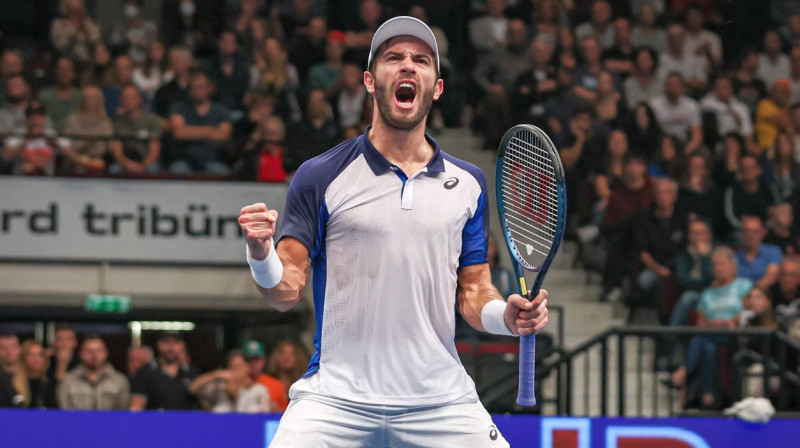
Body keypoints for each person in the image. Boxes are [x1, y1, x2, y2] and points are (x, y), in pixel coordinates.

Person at [238, 17, 549, 446]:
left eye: (421, 60)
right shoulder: (320, 175)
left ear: (436, 88)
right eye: (393, 58)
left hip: (441, 401)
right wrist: (260, 254)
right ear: (370, 80)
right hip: (335, 400)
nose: (407, 66)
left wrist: (506, 317)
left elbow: (473, 291)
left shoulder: (470, 184)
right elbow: (284, 290)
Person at [667, 247, 752, 409]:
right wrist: (720, 324)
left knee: (703, 337)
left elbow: (747, 311)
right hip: (712, 334)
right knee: (708, 346)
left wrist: (726, 323)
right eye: (714, 265)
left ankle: (685, 370)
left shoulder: (743, 286)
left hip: (735, 334)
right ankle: (708, 394)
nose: (718, 268)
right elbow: (700, 323)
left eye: (722, 264)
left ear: (733, 266)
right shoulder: (707, 293)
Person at [167, 71, 232, 174]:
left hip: (212, 160)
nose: (199, 90)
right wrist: (210, 130)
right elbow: (179, 133)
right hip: (184, 160)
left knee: (223, 173)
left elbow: (223, 135)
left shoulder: (220, 110)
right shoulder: (179, 107)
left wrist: (190, 131)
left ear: (209, 88)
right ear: (189, 90)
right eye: (195, 87)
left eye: (202, 87)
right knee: (176, 171)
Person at [129, 331, 197, 411]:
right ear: (159, 344)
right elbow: (137, 404)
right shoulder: (145, 372)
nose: (170, 347)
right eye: (166, 342)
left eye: (175, 342)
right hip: (155, 421)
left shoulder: (190, 372)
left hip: (185, 421)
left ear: (182, 345)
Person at [58, 335, 129, 410]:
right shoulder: (68, 380)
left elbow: (123, 412)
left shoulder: (120, 380)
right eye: (89, 351)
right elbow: (64, 410)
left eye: (99, 350)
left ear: (106, 353)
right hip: (77, 421)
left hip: (110, 421)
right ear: (81, 354)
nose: (94, 355)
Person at [189, 349, 270, 413]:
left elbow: (265, 417)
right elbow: (192, 389)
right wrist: (215, 374)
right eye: (232, 367)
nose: (235, 371)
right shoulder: (220, 387)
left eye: (239, 366)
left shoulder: (258, 390)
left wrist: (237, 393)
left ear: (247, 367)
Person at [0, 102, 69, 176]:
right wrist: (26, 139)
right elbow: (5, 156)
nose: (35, 117)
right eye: (30, 113)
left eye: (39, 113)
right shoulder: (19, 134)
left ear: (44, 117)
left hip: (47, 180)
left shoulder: (51, 135)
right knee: (27, 166)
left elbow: (70, 154)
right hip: (20, 180)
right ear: (26, 118)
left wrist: (54, 144)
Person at [670, 219, 715, 326]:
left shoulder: (718, 254)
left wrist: (704, 258)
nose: (698, 237)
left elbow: (714, 278)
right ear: (689, 236)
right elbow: (683, 281)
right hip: (695, 294)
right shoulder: (682, 256)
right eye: (694, 233)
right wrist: (706, 285)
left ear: (709, 235)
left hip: (717, 293)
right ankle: (672, 337)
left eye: (701, 233)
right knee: (688, 296)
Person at [109, 84, 163, 175]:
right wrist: (128, 164)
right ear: (121, 100)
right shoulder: (117, 123)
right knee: (114, 169)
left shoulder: (152, 120)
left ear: (140, 99)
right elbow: (117, 150)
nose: (128, 101)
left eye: (132, 97)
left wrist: (143, 165)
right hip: (126, 161)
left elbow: (155, 149)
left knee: (153, 169)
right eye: (125, 97)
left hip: (147, 161)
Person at [723, 155, 780, 234]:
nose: (747, 171)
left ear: (759, 170)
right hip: (742, 231)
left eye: (751, 167)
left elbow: (777, 211)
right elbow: (730, 216)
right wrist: (748, 229)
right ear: (739, 171)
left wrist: (764, 227)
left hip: (767, 230)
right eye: (744, 168)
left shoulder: (769, 188)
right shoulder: (732, 190)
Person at [649, 72, 703, 155]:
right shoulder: (654, 106)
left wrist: (685, 152)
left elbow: (697, 136)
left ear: (683, 88)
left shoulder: (692, 106)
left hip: (684, 143)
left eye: (675, 84)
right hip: (661, 144)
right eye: (669, 84)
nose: (672, 87)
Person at [37, 57, 82, 135]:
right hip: (50, 138)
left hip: (76, 137)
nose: (64, 73)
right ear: (55, 72)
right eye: (60, 69)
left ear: (74, 73)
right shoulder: (44, 95)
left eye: (67, 69)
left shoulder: (81, 96)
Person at [735, 216, 783, 290]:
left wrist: (751, 294)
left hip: (764, 296)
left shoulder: (773, 251)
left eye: (755, 232)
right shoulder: (734, 257)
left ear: (762, 233)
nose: (750, 235)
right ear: (741, 234)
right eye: (746, 231)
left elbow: (770, 277)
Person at [240, 340, 287, 412]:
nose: (253, 363)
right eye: (249, 359)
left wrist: (275, 409)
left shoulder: (276, 385)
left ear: (263, 361)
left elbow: (285, 413)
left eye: (256, 359)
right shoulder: (236, 383)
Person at [20, 340, 56, 408]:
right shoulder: (12, 384)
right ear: (23, 357)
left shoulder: (51, 384)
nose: (35, 358)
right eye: (31, 354)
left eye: (40, 354)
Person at [0, 333, 27, 407]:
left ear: (20, 349)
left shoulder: (29, 374)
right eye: (3, 347)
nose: (9, 351)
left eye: (13, 347)